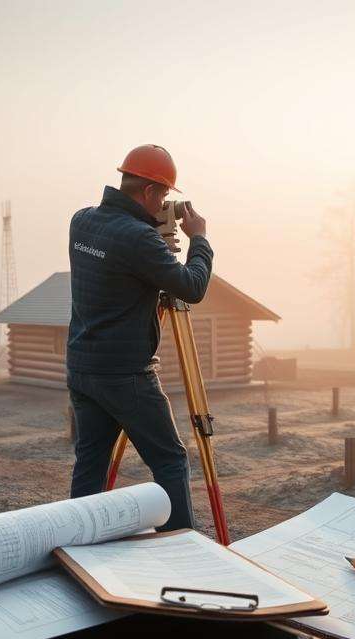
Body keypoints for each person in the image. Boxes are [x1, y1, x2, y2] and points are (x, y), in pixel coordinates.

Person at [66, 144, 213, 530]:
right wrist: (198, 239)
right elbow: (192, 287)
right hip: (126, 374)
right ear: (148, 192)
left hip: (83, 368)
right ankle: (181, 544)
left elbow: (119, 260)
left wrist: (152, 239)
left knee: (90, 464)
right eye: (163, 195)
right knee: (170, 459)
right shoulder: (140, 241)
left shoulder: (81, 221)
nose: (164, 204)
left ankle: (80, 544)